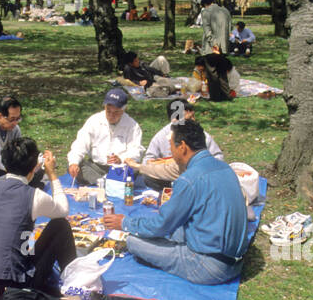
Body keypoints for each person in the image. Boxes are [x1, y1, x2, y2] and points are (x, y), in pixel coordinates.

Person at [102, 121, 247, 285]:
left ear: (182, 147)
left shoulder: (189, 179)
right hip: (235, 260)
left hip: (207, 267)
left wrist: (125, 223)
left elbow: (162, 225)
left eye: (171, 146)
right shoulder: (224, 168)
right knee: (173, 230)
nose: (170, 151)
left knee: (134, 242)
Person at [0, 139, 76, 300]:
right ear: (34, 167)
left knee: (23, 236)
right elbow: (63, 210)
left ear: (5, 166)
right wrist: (52, 173)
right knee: (60, 225)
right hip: (11, 287)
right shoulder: (33, 195)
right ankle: (75, 281)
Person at [67, 88, 144, 187]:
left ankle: (103, 183)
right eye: (108, 111)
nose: (111, 115)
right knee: (74, 165)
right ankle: (109, 183)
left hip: (120, 169)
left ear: (124, 110)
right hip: (96, 168)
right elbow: (80, 144)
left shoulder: (132, 125)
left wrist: (121, 159)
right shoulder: (94, 120)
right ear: (104, 107)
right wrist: (74, 163)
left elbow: (136, 150)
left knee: (133, 170)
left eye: (116, 112)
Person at [139, 101, 224, 187]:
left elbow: (218, 157)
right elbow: (148, 159)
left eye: (193, 116)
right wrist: (151, 163)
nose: (193, 120)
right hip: (168, 177)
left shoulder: (201, 135)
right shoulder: (161, 136)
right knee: (147, 176)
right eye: (189, 118)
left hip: (196, 177)